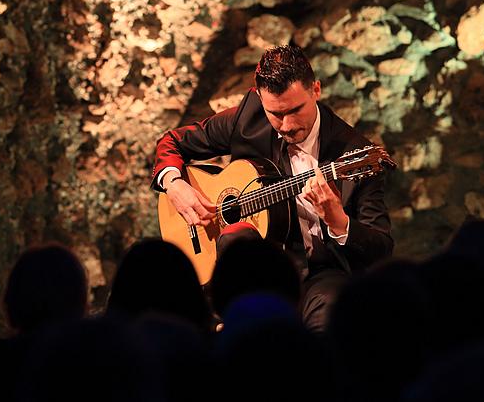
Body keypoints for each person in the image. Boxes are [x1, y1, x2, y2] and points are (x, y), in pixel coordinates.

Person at [152, 44, 393, 331]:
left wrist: (338, 221)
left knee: (326, 327)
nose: (286, 125)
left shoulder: (354, 153)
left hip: (320, 274)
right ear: (260, 99)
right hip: (255, 271)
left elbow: (381, 250)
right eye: (275, 113)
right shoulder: (248, 118)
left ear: (315, 89)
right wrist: (174, 183)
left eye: (295, 110)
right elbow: (172, 142)